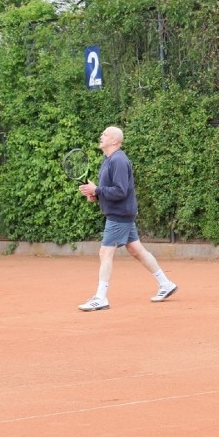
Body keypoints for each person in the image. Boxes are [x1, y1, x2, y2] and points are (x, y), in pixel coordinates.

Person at [76, 126, 177, 311]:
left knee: (105, 253)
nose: (101, 136)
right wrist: (96, 194)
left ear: (114, 140)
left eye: (105, 134)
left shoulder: (119, 160)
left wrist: (97, 189)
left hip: (119, 214)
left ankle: (100, 297)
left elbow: (121, 191)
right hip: (122, 212)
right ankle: (166, 283)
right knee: (137, 250)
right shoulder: (107, 160)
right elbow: (112, 190)